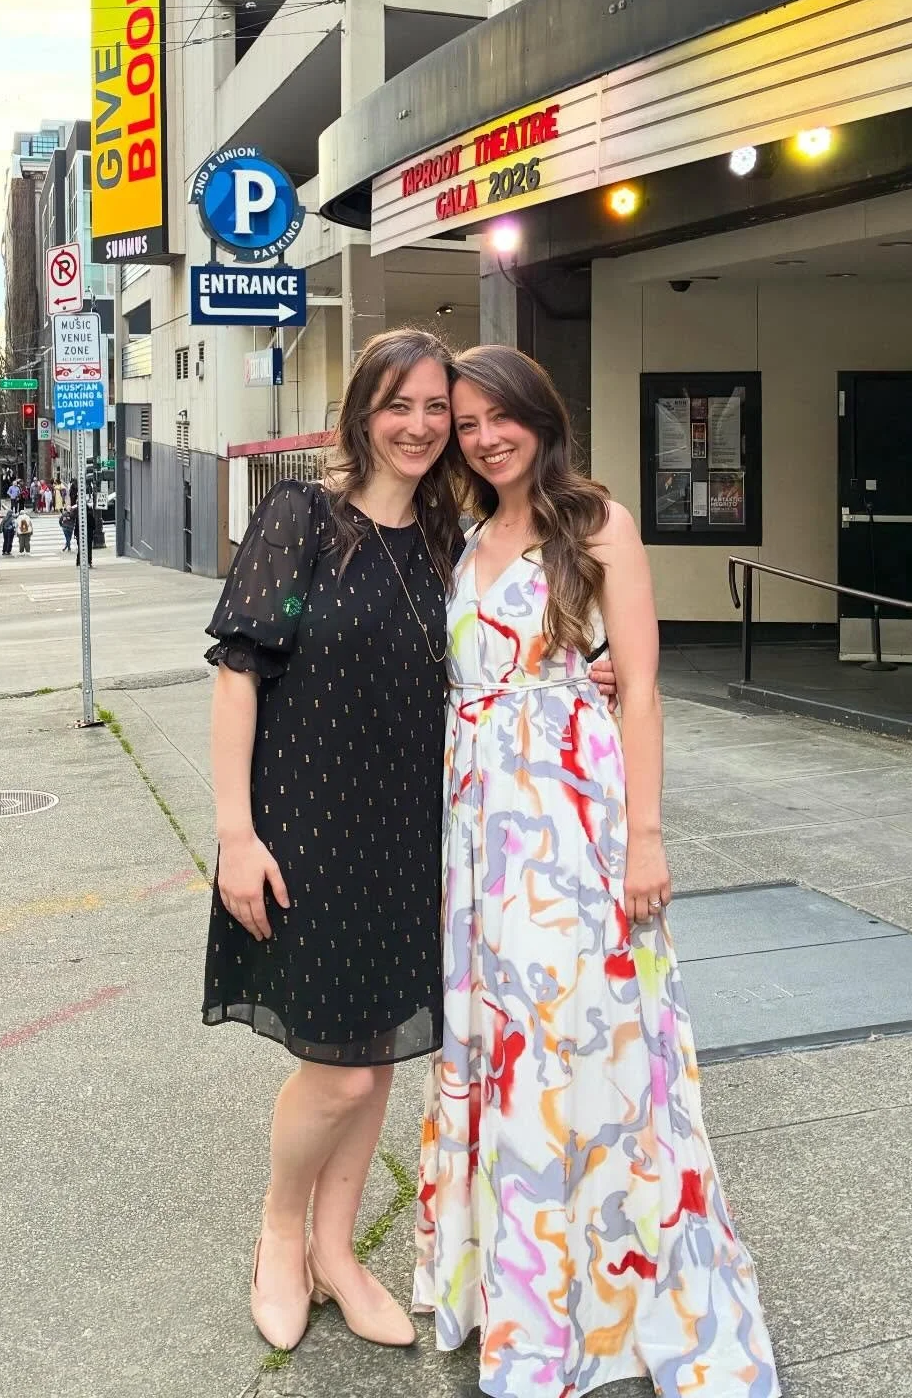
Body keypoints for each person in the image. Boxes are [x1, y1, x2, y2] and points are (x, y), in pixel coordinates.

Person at [415, 346, 780, 1398]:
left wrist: (648, 838)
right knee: (495, 1045)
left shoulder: (598, 522)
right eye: (467, 422)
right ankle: (510, 1284)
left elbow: (645, 690)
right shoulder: (462, 534)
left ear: (540, 416)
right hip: (474, 829)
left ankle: (611, 1291)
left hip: (572, 824)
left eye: (500, 418)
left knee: (588, 1040)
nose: (485, 437)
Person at [204, 328, 464, 1355]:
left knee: (382, 1050)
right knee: (340, 1068)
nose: (418, 426)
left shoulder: (450, 539)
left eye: (436, 408)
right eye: (399, 404)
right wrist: (235, 834)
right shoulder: (303, 519)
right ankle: (278, 1235)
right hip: (304, 828)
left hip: (410, 834)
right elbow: (238, 675)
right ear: (362, 410)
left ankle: (339, 1251)